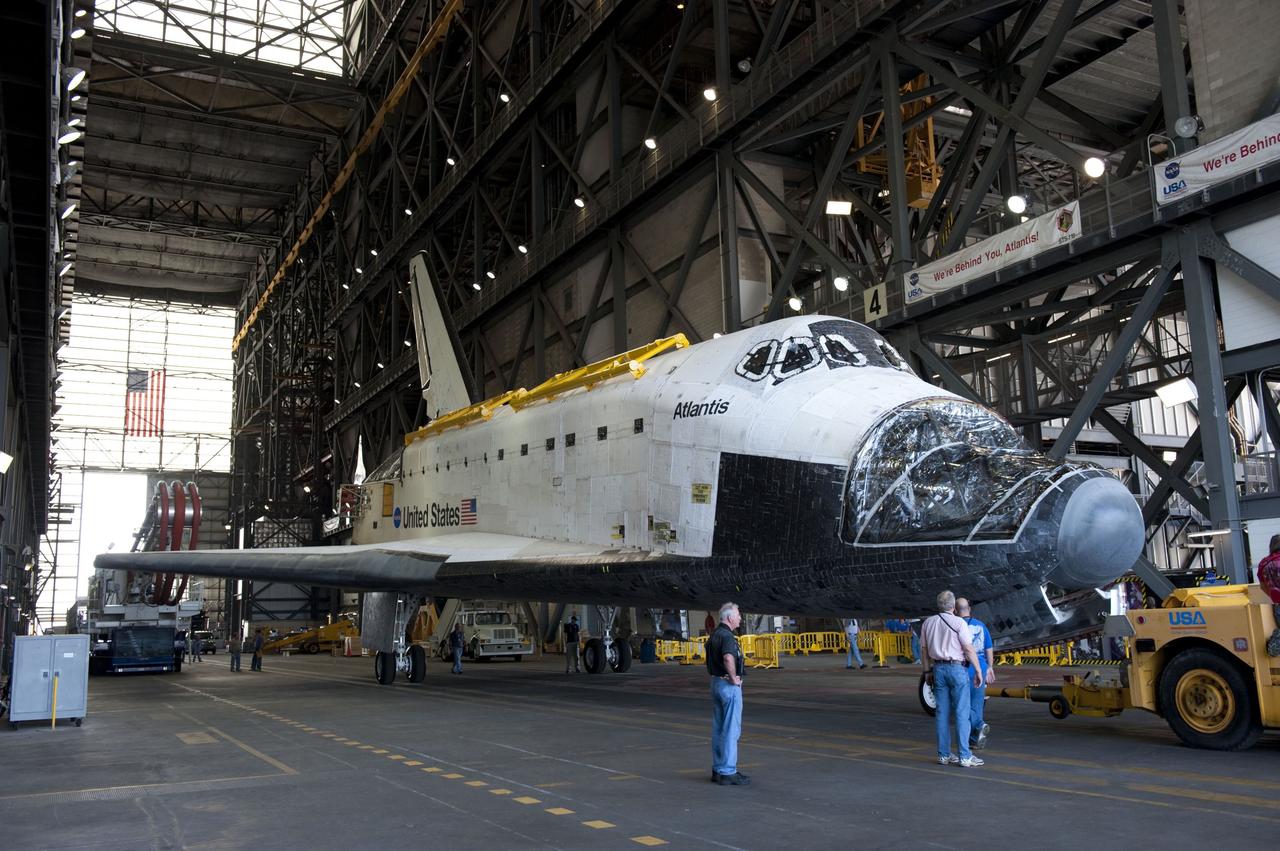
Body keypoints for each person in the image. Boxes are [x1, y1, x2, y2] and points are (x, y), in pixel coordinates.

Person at [920, 590, 985, 767]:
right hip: (957, 669)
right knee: (961, 713)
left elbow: (924, 651)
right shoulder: (959, 623)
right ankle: (965, 756)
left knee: (942, 713)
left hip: (938, 669)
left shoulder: (928, 623)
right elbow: (969, 649)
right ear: (953, 606)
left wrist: (927, 672)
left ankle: (944, 755)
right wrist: (979, 670)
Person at [707, 602, 749, 786]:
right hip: (727, 685)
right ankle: (728, 771)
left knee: (718, 728)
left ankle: (718, 769)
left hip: (716, 683)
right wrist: (734, 678)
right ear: (730, 618)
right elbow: (728, 657)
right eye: (738, 615)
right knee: (732, 729)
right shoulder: (727, 636)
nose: (740, 618)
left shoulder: (715, 634)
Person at [955, 597, 995, 750]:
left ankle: (979, 725)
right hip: (981, 668)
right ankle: (974, 739)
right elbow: (988, 648)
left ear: (956, 611)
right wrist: (990, 667)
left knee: (961, 704)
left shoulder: (956, 626)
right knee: (977, 705)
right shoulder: (981, 625)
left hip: (964, 667)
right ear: (969, 609)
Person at [1258, 534, 1280, 656]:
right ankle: (1274, 646)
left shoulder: (1264, 563)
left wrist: (1274, 596)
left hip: (1277, 605)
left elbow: (1263, 586)